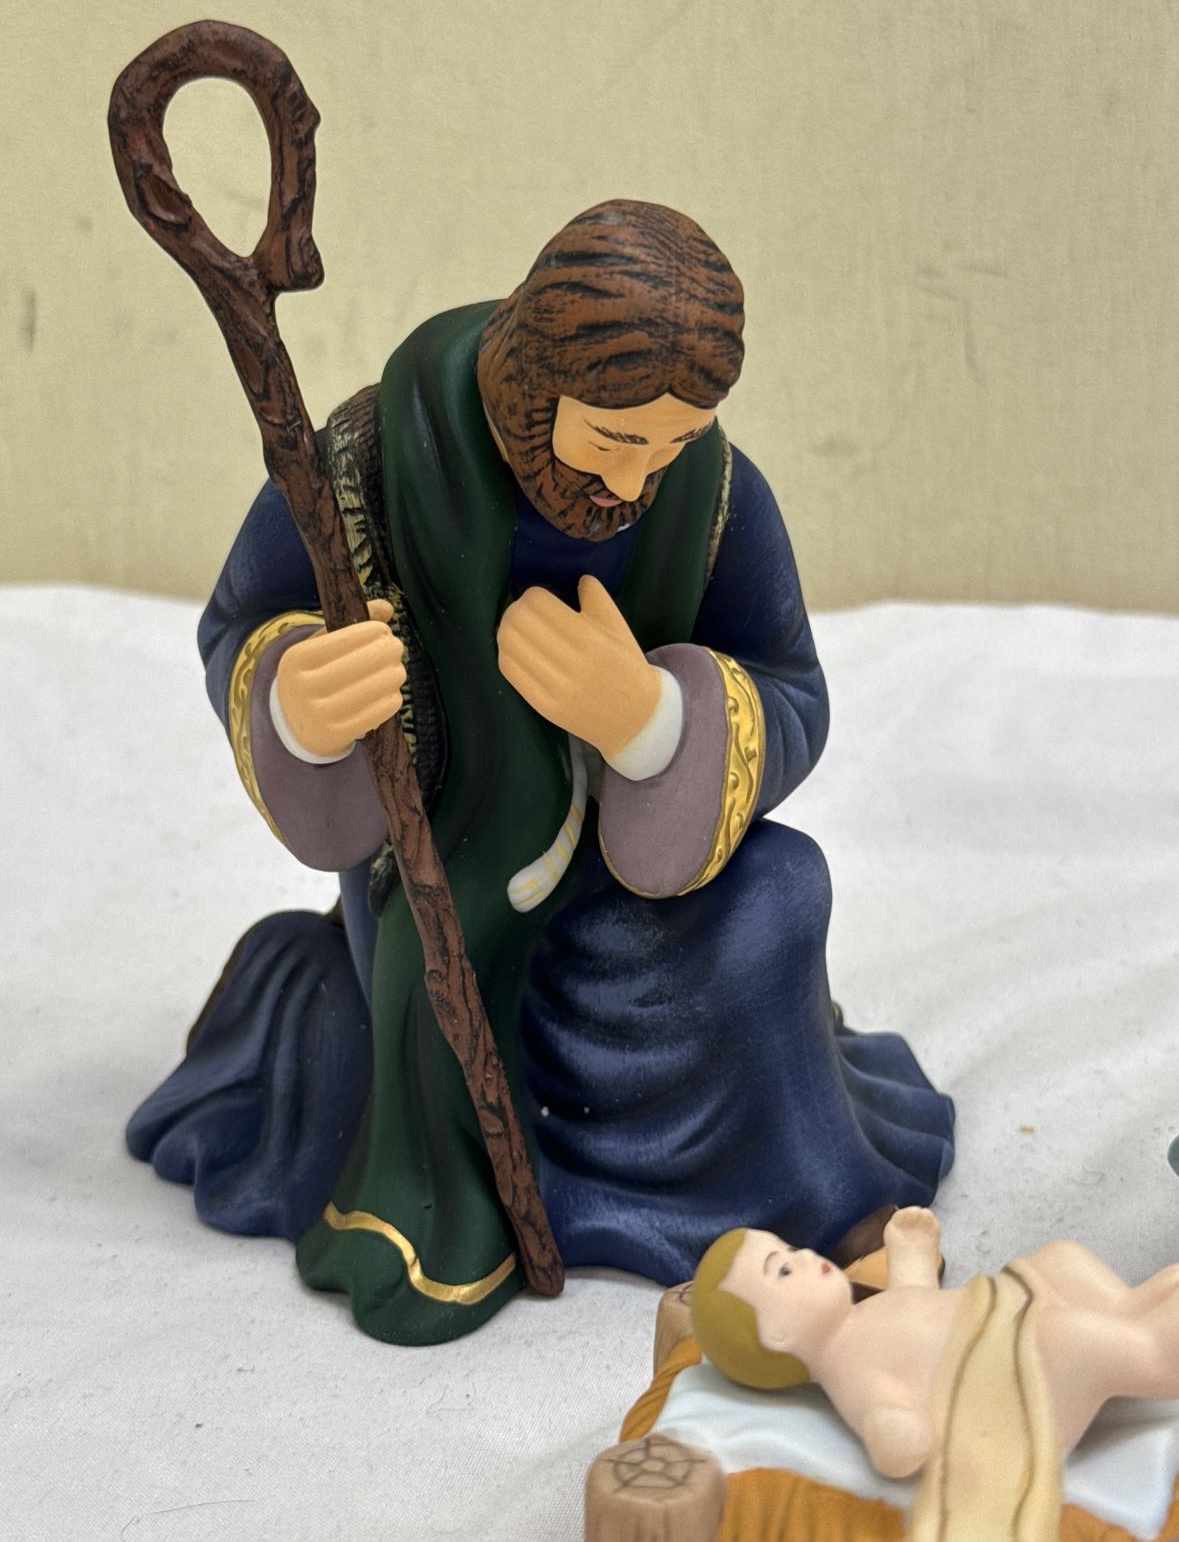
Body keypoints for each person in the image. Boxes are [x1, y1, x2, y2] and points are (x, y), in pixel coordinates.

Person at [127, 200, 956, 1345]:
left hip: (642, 894)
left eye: (670, 446)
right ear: (528, 385)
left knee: (783, 891)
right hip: (441, 876)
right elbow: (242, 621)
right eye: (612, 441)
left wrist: (650, 723)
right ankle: (443, 1180)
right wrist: (303, 706)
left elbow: (792, 688)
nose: (635, 482)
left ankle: (807, 1198)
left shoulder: (715, 495)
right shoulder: (365, 469)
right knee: (445, 979)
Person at [692, 1208, 1179, 1486]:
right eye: (781, 1270)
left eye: (788, 1247)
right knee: (1072, 1338)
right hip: (1013, 1400)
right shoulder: (850, 1370)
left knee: (1059, 1260)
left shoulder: (865, 1316)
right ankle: (1156, 1355)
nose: (803, 1256)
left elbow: (915, 1300)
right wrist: (896, 1436)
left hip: (1011, 1323)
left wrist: (911, 1254)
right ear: (778, 1334)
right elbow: (884, 1424)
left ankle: (1130, 1312)